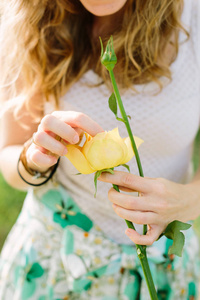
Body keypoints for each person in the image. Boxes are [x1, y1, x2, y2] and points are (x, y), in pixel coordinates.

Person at [0, 0, 200, 299]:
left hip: (164, 268)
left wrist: (189, 199)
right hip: (56, 263)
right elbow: (10, 157)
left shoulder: (193, 18)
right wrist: (32, 158)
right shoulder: (31, 17)